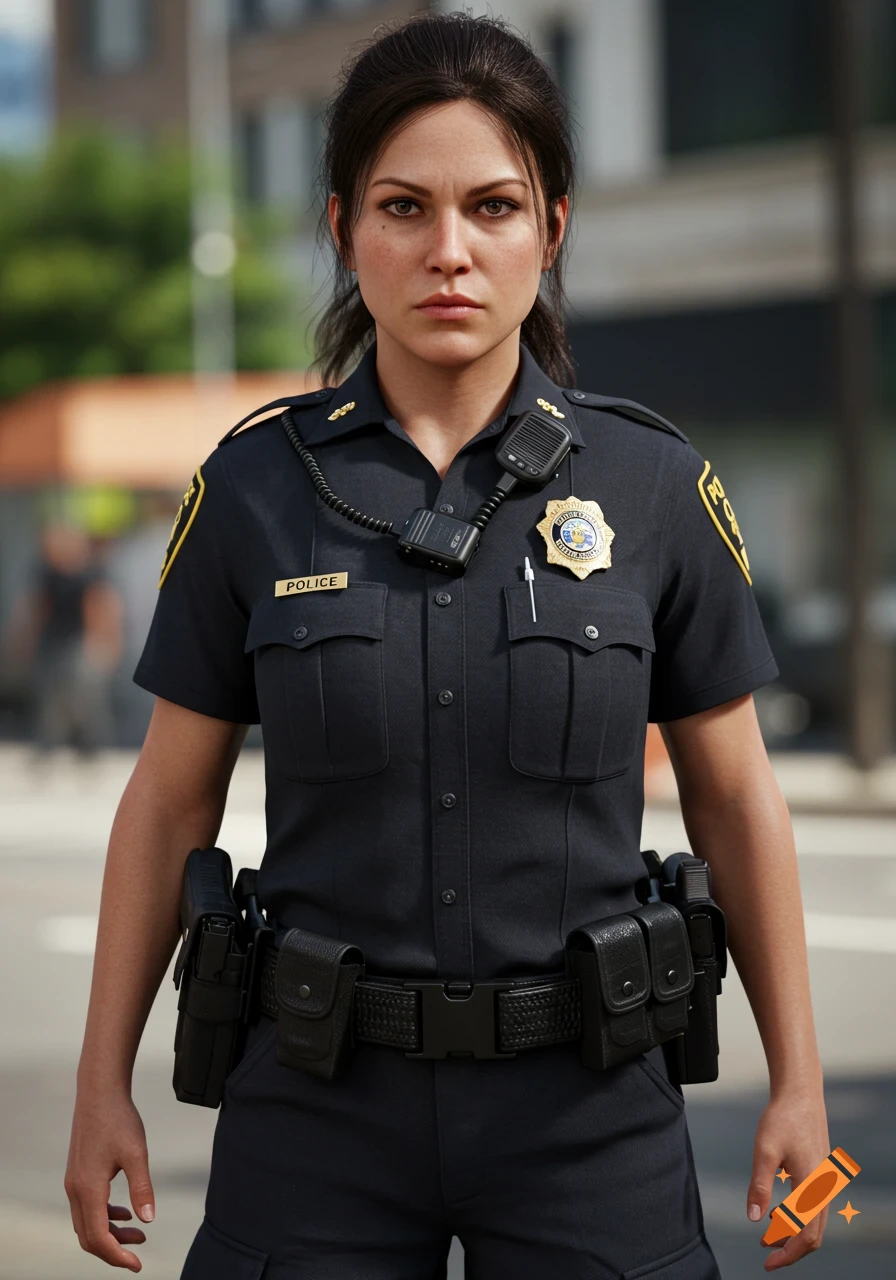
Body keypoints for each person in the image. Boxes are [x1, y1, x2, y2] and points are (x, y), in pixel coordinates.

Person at [65, 11, 830, 1278]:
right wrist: (103, 1082)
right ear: (341, 229)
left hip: (588, 1112)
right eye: (403, 208)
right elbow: (166, 800)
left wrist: (797, 1078)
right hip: (315, 1106)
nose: (450, 251)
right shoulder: (253, 490)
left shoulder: (651, 484)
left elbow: (737, 794)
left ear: (552, 226)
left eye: (493, 206)